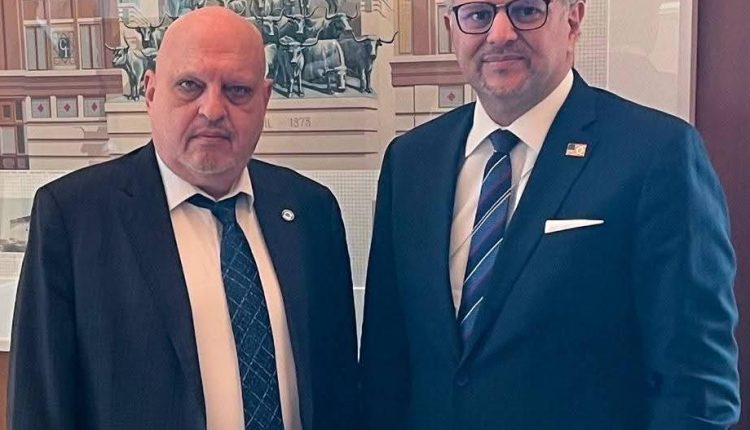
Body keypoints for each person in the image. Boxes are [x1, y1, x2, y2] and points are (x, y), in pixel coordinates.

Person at [360, 0, 740, 429]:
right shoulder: (411, 161)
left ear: (573, 18)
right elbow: (384, 365)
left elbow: (697, 387)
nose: (499, 34)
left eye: (525, 11)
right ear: (453, 27)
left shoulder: (656, 153)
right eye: (478, 14)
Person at [7, 7, 358, 430]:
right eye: (190, 85)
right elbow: (41, 404)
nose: (213, 109)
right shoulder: (73, 217)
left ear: (265, 99)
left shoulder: (311, 211)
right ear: (151, 92)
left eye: (237, 90)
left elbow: (341, 389)